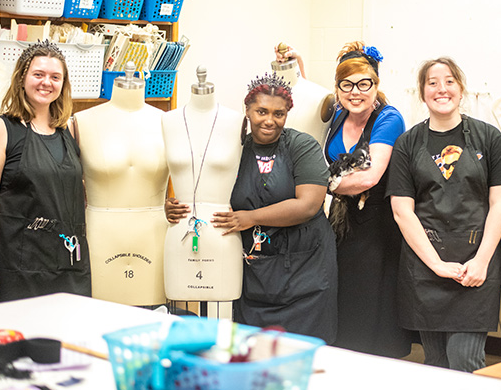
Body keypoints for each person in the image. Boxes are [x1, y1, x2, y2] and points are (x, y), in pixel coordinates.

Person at [387, 58, 501, 372]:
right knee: (434, 363)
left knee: (465, 361)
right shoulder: (407, 144)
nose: (441, 89)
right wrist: (436, 265)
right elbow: (402, 211)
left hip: (475, 266)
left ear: (461, 90)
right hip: (426, 267)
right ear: (422, 92)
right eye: (432, 82)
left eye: (449, 81)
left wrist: (482, 260)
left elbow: (500, 204)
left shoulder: (489, 138)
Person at [210, 73, 338, 343]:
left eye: (278, 114)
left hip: (307, 273)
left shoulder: (301, 146)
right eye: (261, 111)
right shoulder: (234, 151)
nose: (269, 120)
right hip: (256, 277)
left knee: (305, 351)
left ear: (287, 114)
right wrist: (174, 207)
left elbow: (308, 205)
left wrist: (250, 217)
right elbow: (209, 193)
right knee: (255, 352)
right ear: (247, 111)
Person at [0, 40, 90, 303]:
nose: (46, 82)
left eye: (54, 77)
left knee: (66, 340)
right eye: (38, 74)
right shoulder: (1, 130)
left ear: (63, 84)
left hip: (69, 265)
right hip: (18, 268)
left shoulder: (69, 131)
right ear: (22, 78)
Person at [322, 41, 411, 357]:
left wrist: (325, 185)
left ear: (376, 85)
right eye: (346, 85)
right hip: (342, 222)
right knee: (342, 302)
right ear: (337, 88)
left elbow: (370, 177)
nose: (355, 92)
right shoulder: (337, 115)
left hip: (377, 222)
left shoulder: (388, 119)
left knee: (371, 308)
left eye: (364, 84)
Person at [75, 63, 168, 306]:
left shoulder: (168, 122)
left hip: (154, 236)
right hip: (101, 235)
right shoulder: (82, 121)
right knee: (98, 319)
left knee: (152, 324)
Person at [161, 66, 244, 310]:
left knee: (222, 315)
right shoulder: (168, 120)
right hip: (181, 229)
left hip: (222, 230)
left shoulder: (236, 121)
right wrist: (165, 203)